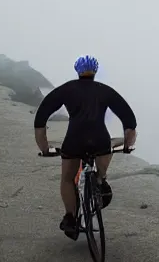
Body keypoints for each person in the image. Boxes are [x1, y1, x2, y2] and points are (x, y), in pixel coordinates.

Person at [34, 55, 138, 233]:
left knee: (67, 178)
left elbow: (41, 118)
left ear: (78, 71)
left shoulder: (66, 89)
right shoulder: (105, 91)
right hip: (100, 140)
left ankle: (70, 217)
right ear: (95, 71)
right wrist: (128, 145)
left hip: (74, 140)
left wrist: (44, 148)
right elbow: (129, 121)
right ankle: (100, 179)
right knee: (107, 148)